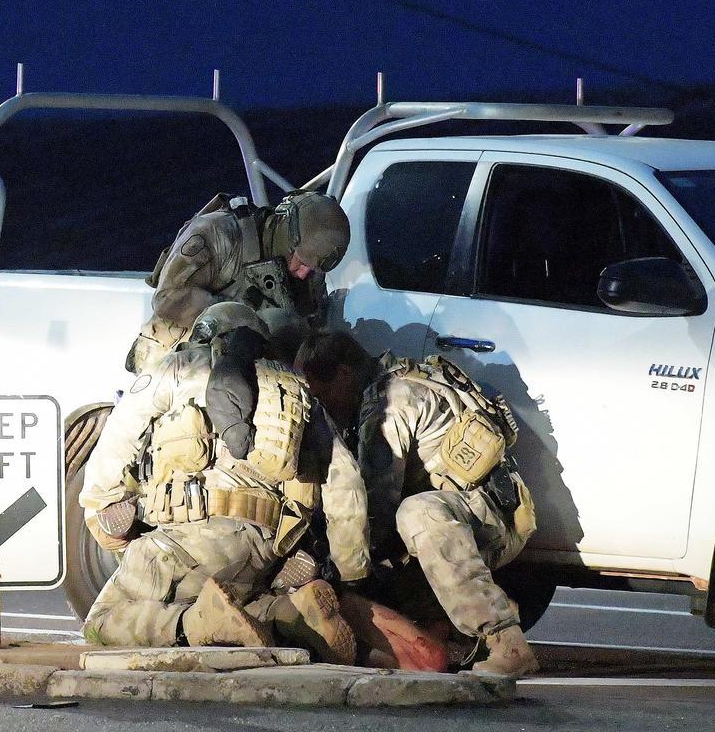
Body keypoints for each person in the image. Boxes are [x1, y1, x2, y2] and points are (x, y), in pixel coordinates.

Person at [80, 304, 370, 663]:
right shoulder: (299, 393)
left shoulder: (179, 368)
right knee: (237, 597)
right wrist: (350, 573)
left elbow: (116, 443)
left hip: (188, 538)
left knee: (101, 622)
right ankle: (287, 613)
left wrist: (102, 509)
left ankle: (198, 625)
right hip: (266, 552)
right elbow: (346, 486)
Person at [295, 331, 540, 678]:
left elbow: (374, 510)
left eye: (322, 393)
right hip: (488, 515)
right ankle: (443, 632)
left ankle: (507, 643)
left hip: (486, 527)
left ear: (345, 375)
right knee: (405, 528)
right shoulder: (400, 376)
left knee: (414, 516)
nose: (323, 406)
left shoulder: (388, 408)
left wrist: (336, 567)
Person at [126, 190, 350, 373]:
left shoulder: (312, 263)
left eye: (311, 269)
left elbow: (308, 325)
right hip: (176, 356)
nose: (303, 274)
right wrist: (243, 316)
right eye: (300, 262)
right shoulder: (217, 233)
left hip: (242, 362)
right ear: (287, 236)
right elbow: (168, 299)